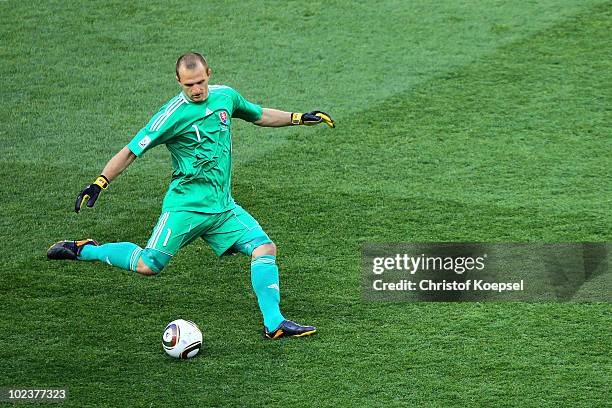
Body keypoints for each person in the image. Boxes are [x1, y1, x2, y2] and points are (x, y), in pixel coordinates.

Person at [47, 52, 335, 339]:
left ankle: (274, 324)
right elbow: (132, 150)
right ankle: (86, 249)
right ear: (178, 81)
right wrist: (100, 182)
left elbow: (258, 114)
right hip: (185, 207)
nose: (196, 90)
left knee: (264, 248)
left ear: (209, 73)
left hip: (223, 208)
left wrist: (298, 118)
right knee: (149, 265)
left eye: (199, 82)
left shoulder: (226, 97)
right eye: (188, 85)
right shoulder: (170, 116)